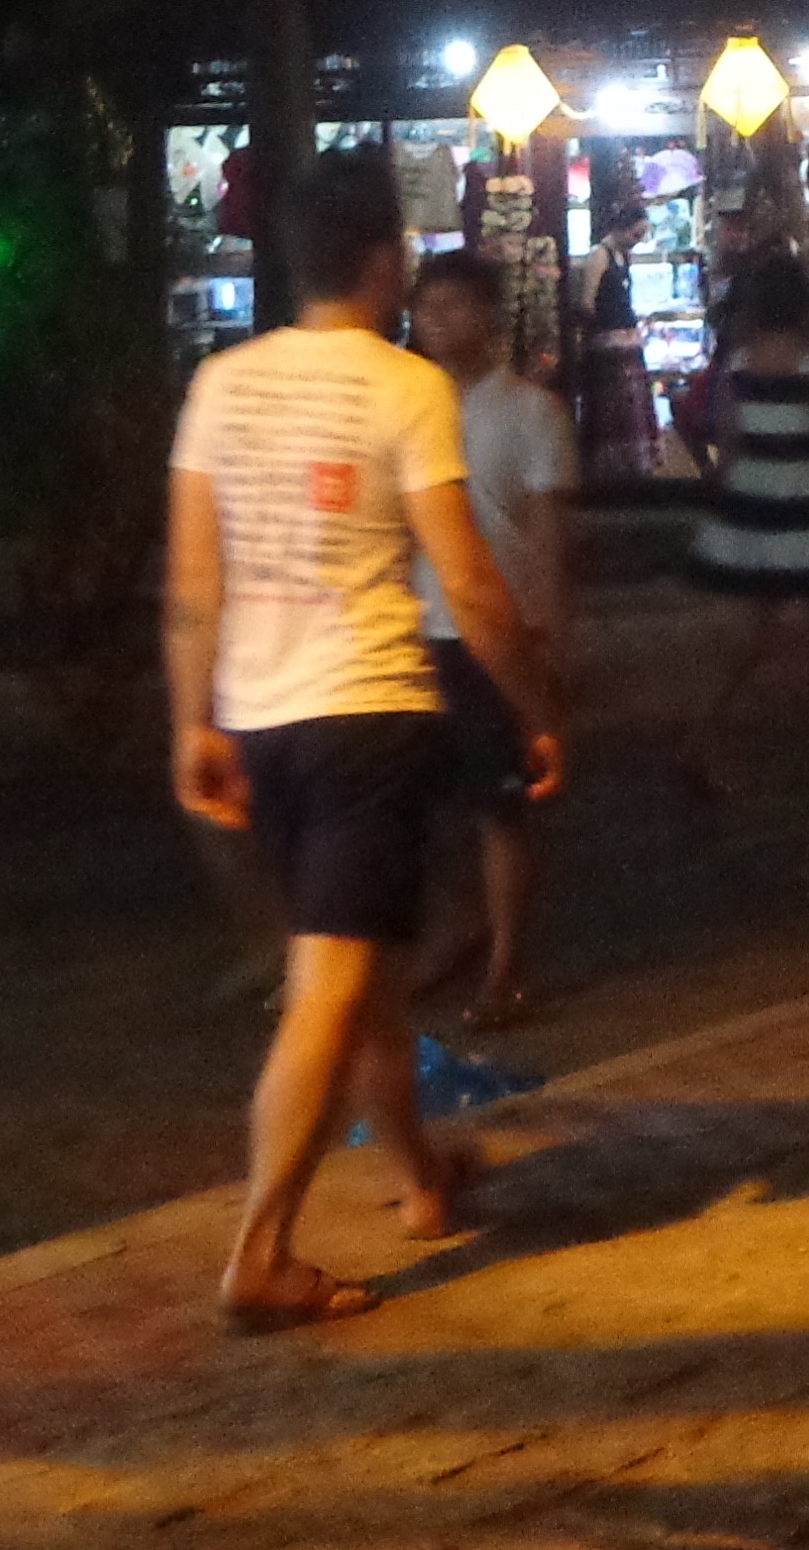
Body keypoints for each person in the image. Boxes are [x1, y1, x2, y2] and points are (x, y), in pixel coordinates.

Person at [168, 152, 565, 1329]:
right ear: (386, 261)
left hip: (261, 719)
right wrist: (537, 707)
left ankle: (418, 1175)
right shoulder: (403, 390)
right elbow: (471, 583)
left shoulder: (222, 386)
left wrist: (193, 721)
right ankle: (260, 1252)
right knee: (331, 989)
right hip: (367, 714)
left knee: (369, 982)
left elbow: (194, 581)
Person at [404, 252, 576, 1028]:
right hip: (409, 631)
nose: (436, 323)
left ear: (488, 315)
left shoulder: (531, 413)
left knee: (499, 806)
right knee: (415, 805)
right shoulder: (404, 406)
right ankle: (456, 927)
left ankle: (506, 965)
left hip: (494, 633)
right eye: (426, 308)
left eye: (453, 307)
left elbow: (547, 538)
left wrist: (546, 633)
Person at [677, 249, 809, 791]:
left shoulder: (737, 363)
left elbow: (727, 447)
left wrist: (718, 494)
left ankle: (701, 740)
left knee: (752, 637)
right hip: (805, 509)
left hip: (750, 508)